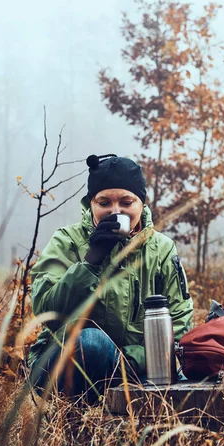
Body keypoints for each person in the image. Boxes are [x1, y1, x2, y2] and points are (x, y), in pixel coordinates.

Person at [28, 154, 193, 401]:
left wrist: (128, 359)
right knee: (91, 342)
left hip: (136, 369)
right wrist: (91, 261)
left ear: (141, 204)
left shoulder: (161, 249)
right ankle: (80, 429)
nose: (115, 211)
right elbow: (47, 312)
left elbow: (179, 325)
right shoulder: (67, 241)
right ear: (91, 204)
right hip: (62, 367)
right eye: (104, 202)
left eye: (127, 202)